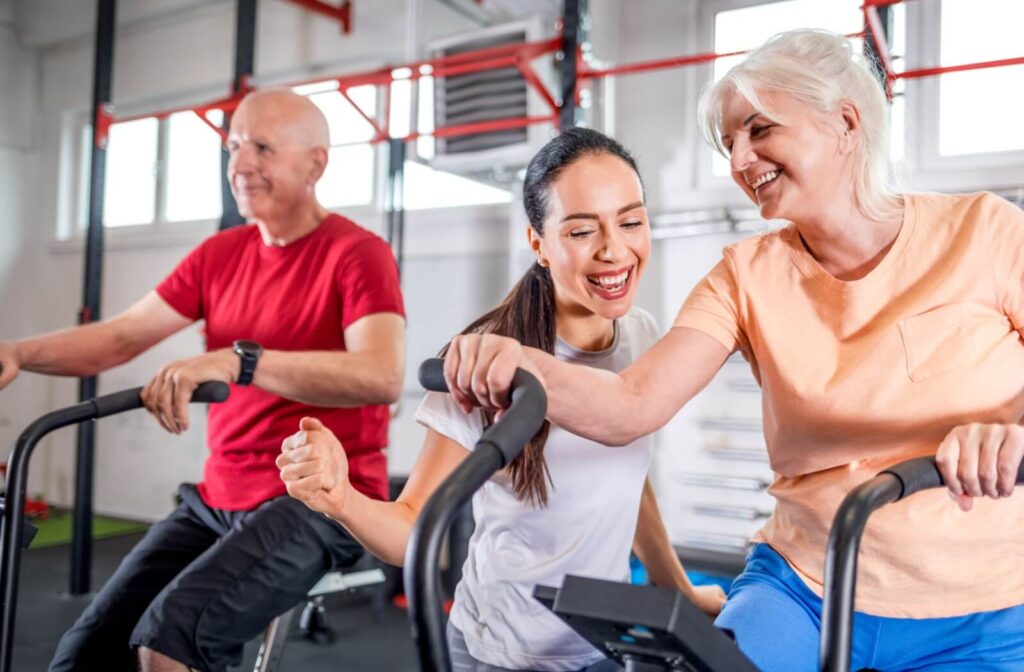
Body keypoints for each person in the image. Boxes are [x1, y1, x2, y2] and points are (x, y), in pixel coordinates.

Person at [439, 29, 1024, 672]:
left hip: (982, 602)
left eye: (759, 130)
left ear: (846, 122)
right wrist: (523, 360)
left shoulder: (987, 231)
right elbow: (632, 403)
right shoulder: (742, 276)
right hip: (805, 583)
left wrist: (1010, 435)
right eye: (729, 143)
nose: (741, 160)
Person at [278, 127, 725, 672]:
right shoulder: (482, 362)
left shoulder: (641, 335)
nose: (615, 250)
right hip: (502, 652)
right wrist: (340, 497)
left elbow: (631, 484)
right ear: (538, 242)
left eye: (631, 222)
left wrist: (675, 587)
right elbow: (416, 526)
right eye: (583, 230)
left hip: (597, 640)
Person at [0, 88, 406, 672]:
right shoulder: (220, 254)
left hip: (316, 500)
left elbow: (382, 374)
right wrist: (17, 351)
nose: (240, 165)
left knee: (168, 644)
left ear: (316, 163)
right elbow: (119, 336)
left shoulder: (357, 254)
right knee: (84, 654)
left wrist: (239, 361)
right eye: (234, 146)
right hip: (217, 498)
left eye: (261, 148)